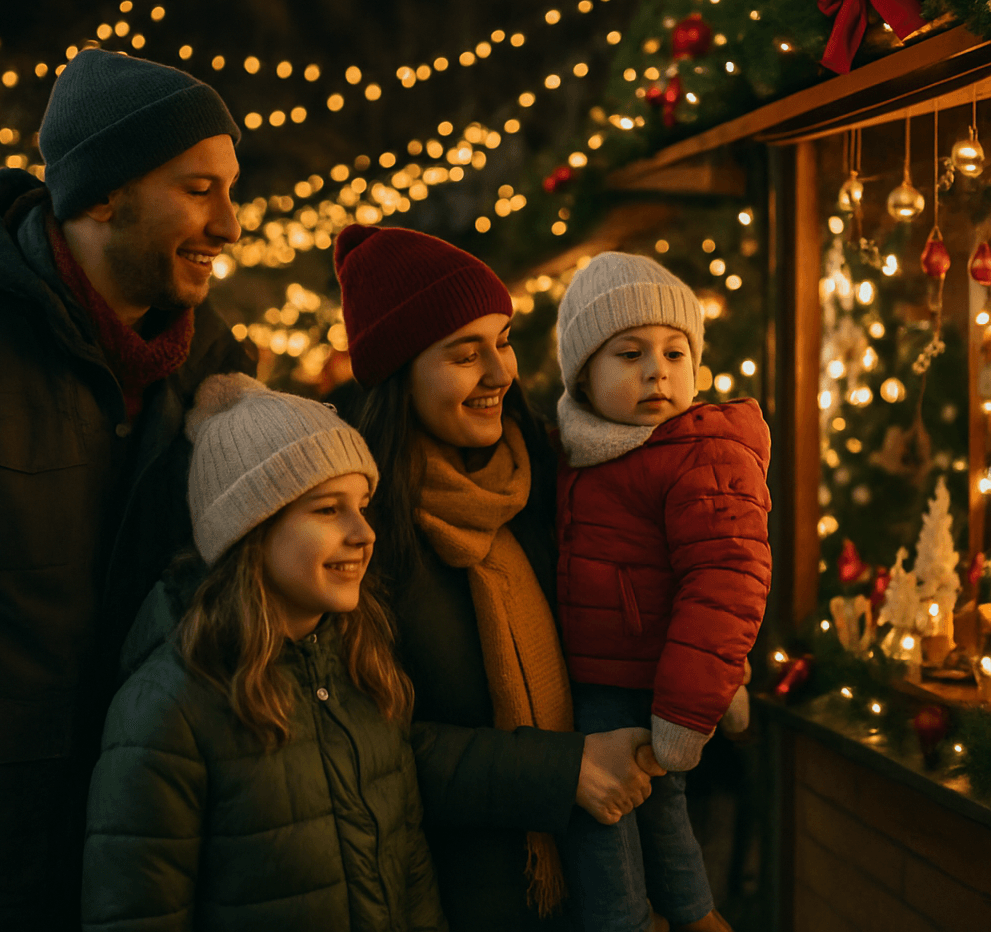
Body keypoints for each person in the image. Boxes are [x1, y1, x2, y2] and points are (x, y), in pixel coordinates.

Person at [0, 48, 254, 930]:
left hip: (148, 836)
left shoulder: (218, 371)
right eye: (198, 189)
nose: (231, 224)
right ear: (101, 194)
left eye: (230, 190)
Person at [333, 223, 665, 932]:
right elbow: (367, 745)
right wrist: (560, 770)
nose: (500, 373)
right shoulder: (359, 528)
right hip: (459, 895)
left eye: (504, 340)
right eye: (464, 353)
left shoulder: (550, 478)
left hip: (602, 876)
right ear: (400, 372)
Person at [82, 373, 446, 931]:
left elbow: (412, 874)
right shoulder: (166, 713)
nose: (364, 533)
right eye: (328, 510)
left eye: (362, 505)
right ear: (250, 531)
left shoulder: (364, 671)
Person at [553, 251, 772, 932]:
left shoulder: (698, 451)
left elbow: (725, 580)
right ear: (583, 376)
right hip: (601, 672)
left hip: (647, 685)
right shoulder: (590, 449)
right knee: (658, 819)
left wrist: (686, 708)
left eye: (675, 353)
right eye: (629, 353)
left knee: (605, 825)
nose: (657, 370)